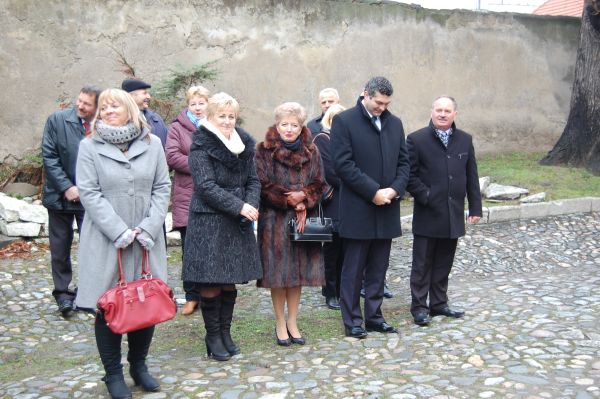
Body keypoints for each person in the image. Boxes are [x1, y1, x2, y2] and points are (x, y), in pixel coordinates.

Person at [74, 88, 171, 399]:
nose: (107, 111)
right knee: (109, 305)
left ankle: (138, 366)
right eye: (103, 108)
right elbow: (89, 193)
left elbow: (162, 187)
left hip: (146, 240)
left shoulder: (152, 143)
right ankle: (113, 373)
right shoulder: (89, 146)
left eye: (114, 106)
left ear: (130, 109)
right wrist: (119, 231)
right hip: (106, 240)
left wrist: (148, 228)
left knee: (147, 301)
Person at [182, 92, 262, 361]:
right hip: (210, 221)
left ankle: (226, 333)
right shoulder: (201, 146)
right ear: (210, 117)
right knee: (212, 281)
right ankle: (212, 336)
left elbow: (253, 180)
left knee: (230, 282)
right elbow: (205, 187)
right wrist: (239, 206)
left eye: (231, 117)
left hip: (236, 221)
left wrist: (249, 205)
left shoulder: (243, 144)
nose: (227, 122)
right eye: (222, 116)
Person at [331, 76, 410, 339]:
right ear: (366, 94)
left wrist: (394, 189)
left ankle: (374, 316)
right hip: (358, 208)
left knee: (378, 267)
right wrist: (372, 191)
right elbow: (343, 164)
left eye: (386, 104)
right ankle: (352, 320)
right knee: (353, 270)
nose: (382, 108)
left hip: (387, 206)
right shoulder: (345, 121)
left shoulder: (395, 123)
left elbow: (404, 163)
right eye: (378, 102)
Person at [406, 96, 482, 326]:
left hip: (453, 212)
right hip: (428, 212)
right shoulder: (416, 139)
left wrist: (475, 206)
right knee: (422, 263)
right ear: (432, 112)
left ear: (454, 114)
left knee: (444, 262)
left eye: (447, 111)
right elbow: (409, 175)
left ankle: (439, 303)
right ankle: (419, 307)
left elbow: (471, 175)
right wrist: (426, 195)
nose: (442, 114)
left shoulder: (465, 140)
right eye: (438, 110)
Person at [256, 102, 326, 346]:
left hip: (302, 220)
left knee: (297, 274)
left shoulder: (312, 150)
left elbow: (319, 182)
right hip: (274, 221)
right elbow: (261, 184)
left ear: (301, 126)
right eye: (284, 124)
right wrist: (288, 199)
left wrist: (305, 197)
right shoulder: (263, 150)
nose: (288, 129)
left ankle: (293, 321)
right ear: (277, 124)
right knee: (279, 275)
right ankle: (279, 322)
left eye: (293, 125)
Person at [41, 84, 102, 317]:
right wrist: (66, 186)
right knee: (59, 248)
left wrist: (87, 189)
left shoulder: (100, 125)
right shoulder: (57, 120)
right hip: (60, 197)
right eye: (79, 101)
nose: (80, 105)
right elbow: (49, 156)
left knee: (92, 247)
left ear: (95, 107)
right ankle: (63, 294)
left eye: (87, 104)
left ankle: (88, 292)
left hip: (90, 198)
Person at [165, 85, 211, 316]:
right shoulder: (177, 128)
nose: (198, 107)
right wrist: (201, 166)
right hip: (187, 195)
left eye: (201, 102)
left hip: (213, 196)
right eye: (193, 103)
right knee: (190, 248)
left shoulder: (216, 124)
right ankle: (192, 296)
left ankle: (211, 291)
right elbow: (172, 156)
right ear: (188, 106)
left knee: (211, 246)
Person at [313, 103, 346, 310]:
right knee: (332, 251)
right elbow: (332, 173)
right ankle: (330, 292)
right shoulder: (322, 139)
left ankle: (342, 290)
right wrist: (358, 182)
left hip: (349, 202)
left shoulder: (349, 141)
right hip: (333, 201)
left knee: (346, 250)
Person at [121, 78, 168, 148]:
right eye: (144, 93)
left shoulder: (156, 119)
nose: (149, 97)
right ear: (130, 96)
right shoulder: (120, 121)